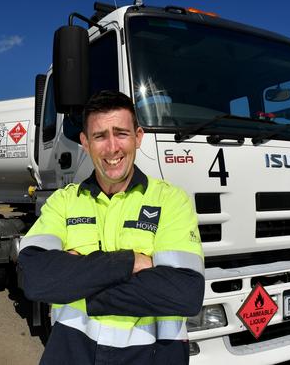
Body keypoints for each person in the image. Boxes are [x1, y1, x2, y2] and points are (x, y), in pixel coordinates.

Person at [17, 90, 204, 365]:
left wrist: (77, 283)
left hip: (152, 356)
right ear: (85, 143)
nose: (112, 147)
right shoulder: (64, 201)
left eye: (121, 133)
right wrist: (129, 262)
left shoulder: (171, 201)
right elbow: (34, 277)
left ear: (138, 137)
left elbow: (185, 293)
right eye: (100, 136)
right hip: (71, 353)